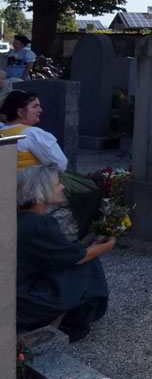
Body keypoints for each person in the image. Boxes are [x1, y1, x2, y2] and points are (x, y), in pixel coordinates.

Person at [16, 164, 115, 342]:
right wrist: (108, 245)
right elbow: (78, 257)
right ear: (42, 191)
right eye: (57, 184)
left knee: (84, 254)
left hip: (15, 293)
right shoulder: (39, 224)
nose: (62, 186)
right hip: (24, 302)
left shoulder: (19, 217)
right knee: (87, 263)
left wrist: (91, 240)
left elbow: (63, 251)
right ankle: (74, 323)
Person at [0, 90, 102, 238]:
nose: (40, 110)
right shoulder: (33, 134)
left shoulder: (3, 130)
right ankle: (83, 237)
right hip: (31, 187)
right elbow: (59, 164)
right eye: (35, 106)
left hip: (8, 185)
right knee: (89, 191)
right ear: (21, 112)